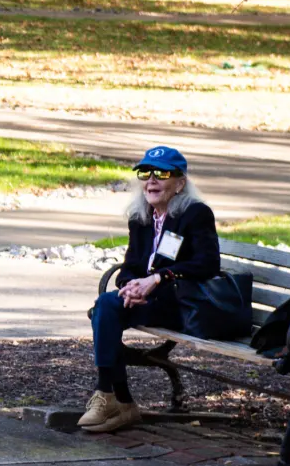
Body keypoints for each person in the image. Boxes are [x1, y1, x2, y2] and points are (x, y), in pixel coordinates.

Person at [80, 146, 221, 435]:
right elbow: (131, 266)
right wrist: (131, 286)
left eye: (162, 173)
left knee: (105, 313)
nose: (151, 180)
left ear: (180, 183)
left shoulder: (195, 214)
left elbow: (208, 264)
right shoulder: (140, 217)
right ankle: (115, 399)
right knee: (105, 308)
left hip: (181, 305)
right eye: (145, 173)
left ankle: (113, 398)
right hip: (148, 301)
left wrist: (158, 278)